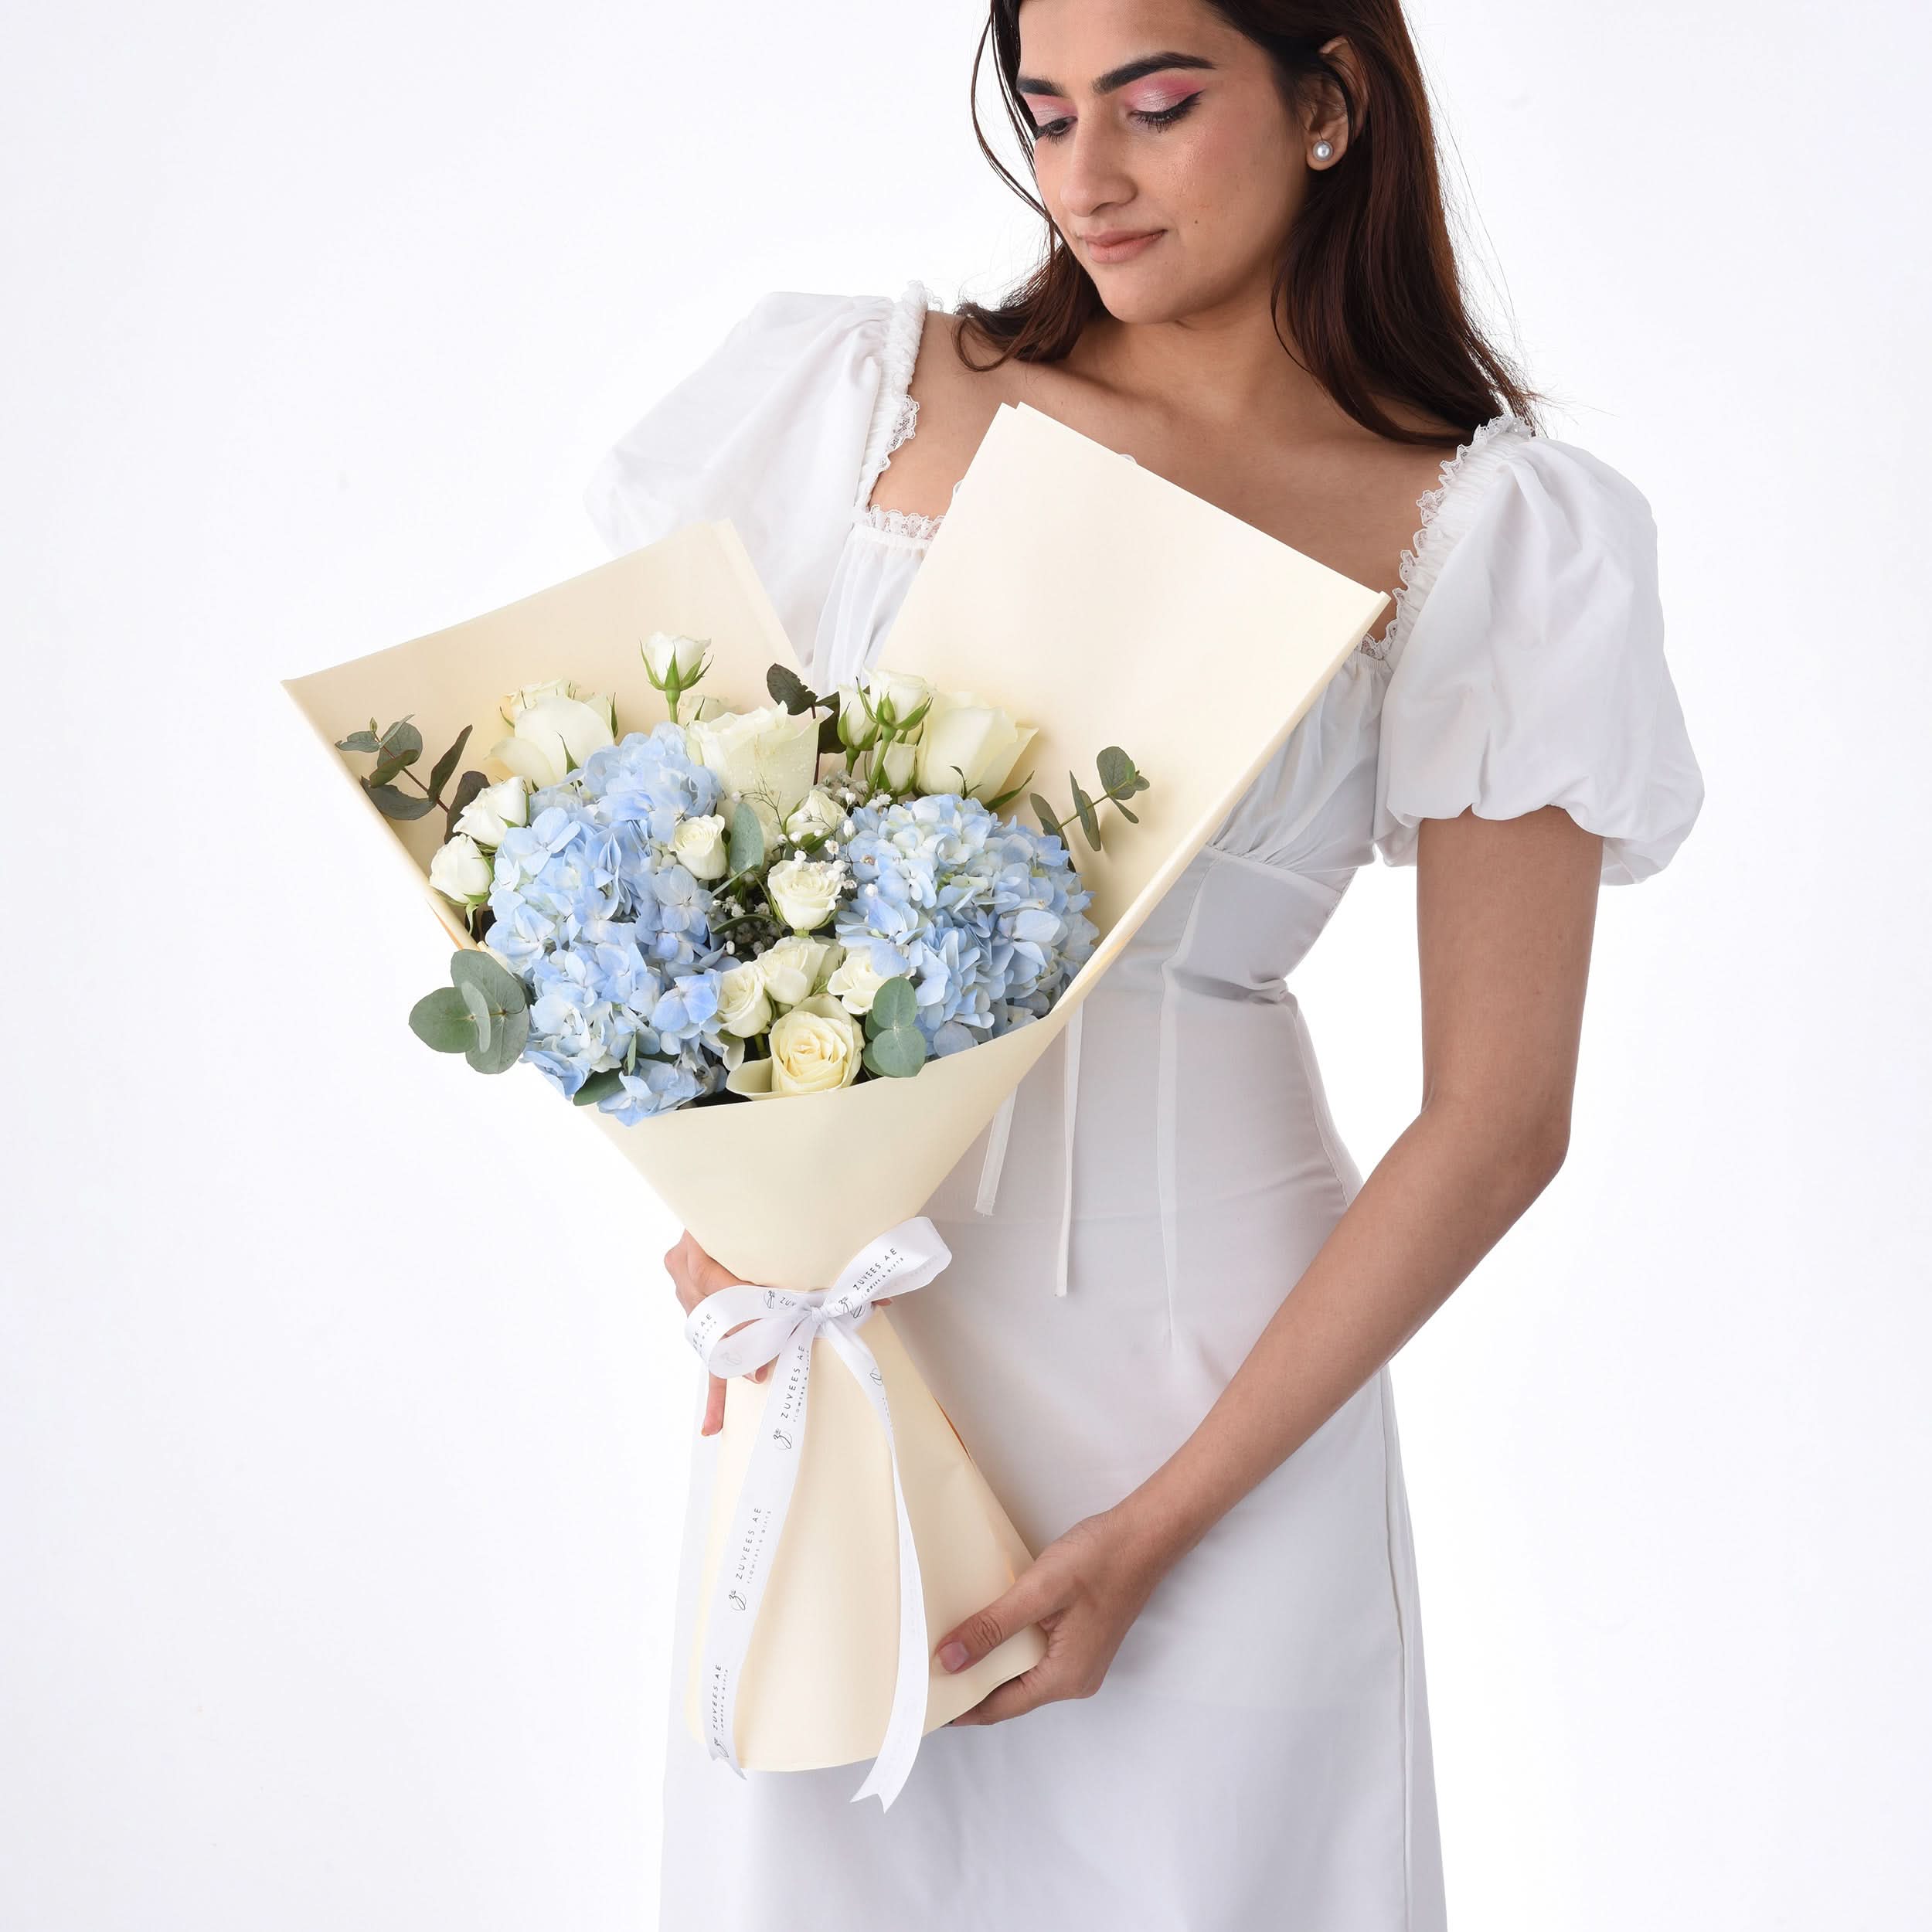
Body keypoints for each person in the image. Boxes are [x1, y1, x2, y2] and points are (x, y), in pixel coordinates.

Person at [586, 3, 1706, 1926]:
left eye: (1157, 105)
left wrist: (1163, 1526)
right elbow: (630, 853)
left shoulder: (1488, 528)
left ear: (1329, 100)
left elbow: (1499, 1113)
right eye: (1042, 112)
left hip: (1225, 1384)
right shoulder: (863, 393)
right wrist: (709, 1182)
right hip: (857, 1339)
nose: (1082, 175)